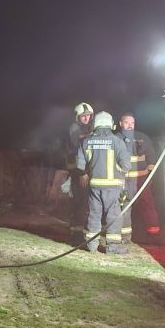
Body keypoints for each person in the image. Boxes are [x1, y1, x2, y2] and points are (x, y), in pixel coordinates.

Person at [78, 111, 130, 253]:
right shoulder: (117, 142)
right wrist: (119, 173)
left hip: (94, 186)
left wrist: (86, 173)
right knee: (113, 215)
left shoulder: (86, 141)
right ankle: (112, 247)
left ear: (95, 124)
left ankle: (91, 245)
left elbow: (80, 165)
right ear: (111, 125)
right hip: (113, 187)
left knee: (94, 214)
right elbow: (126, 165)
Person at [118, 112, 160, 243]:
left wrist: (151, 177)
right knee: (124, 206)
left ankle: (154, 236)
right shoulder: (116, 139)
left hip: (142, 180)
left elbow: (152, 158)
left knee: (148, 206)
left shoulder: (143, 138)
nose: (130, 126)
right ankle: (125, 237)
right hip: (124, 181)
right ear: (120, 124)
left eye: (132, 123)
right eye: (126, 123)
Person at [65, 102, 93, 243]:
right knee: (79, 202)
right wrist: (81, 172)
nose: (86, 118)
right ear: (77, 117)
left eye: (88, 116)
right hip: (78, 171)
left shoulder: (89, 128)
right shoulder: (74, 128)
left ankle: (82, 230)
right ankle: (76, 234)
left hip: (85, 171)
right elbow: (77, 145)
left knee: (86, 202)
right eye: (83, 116)